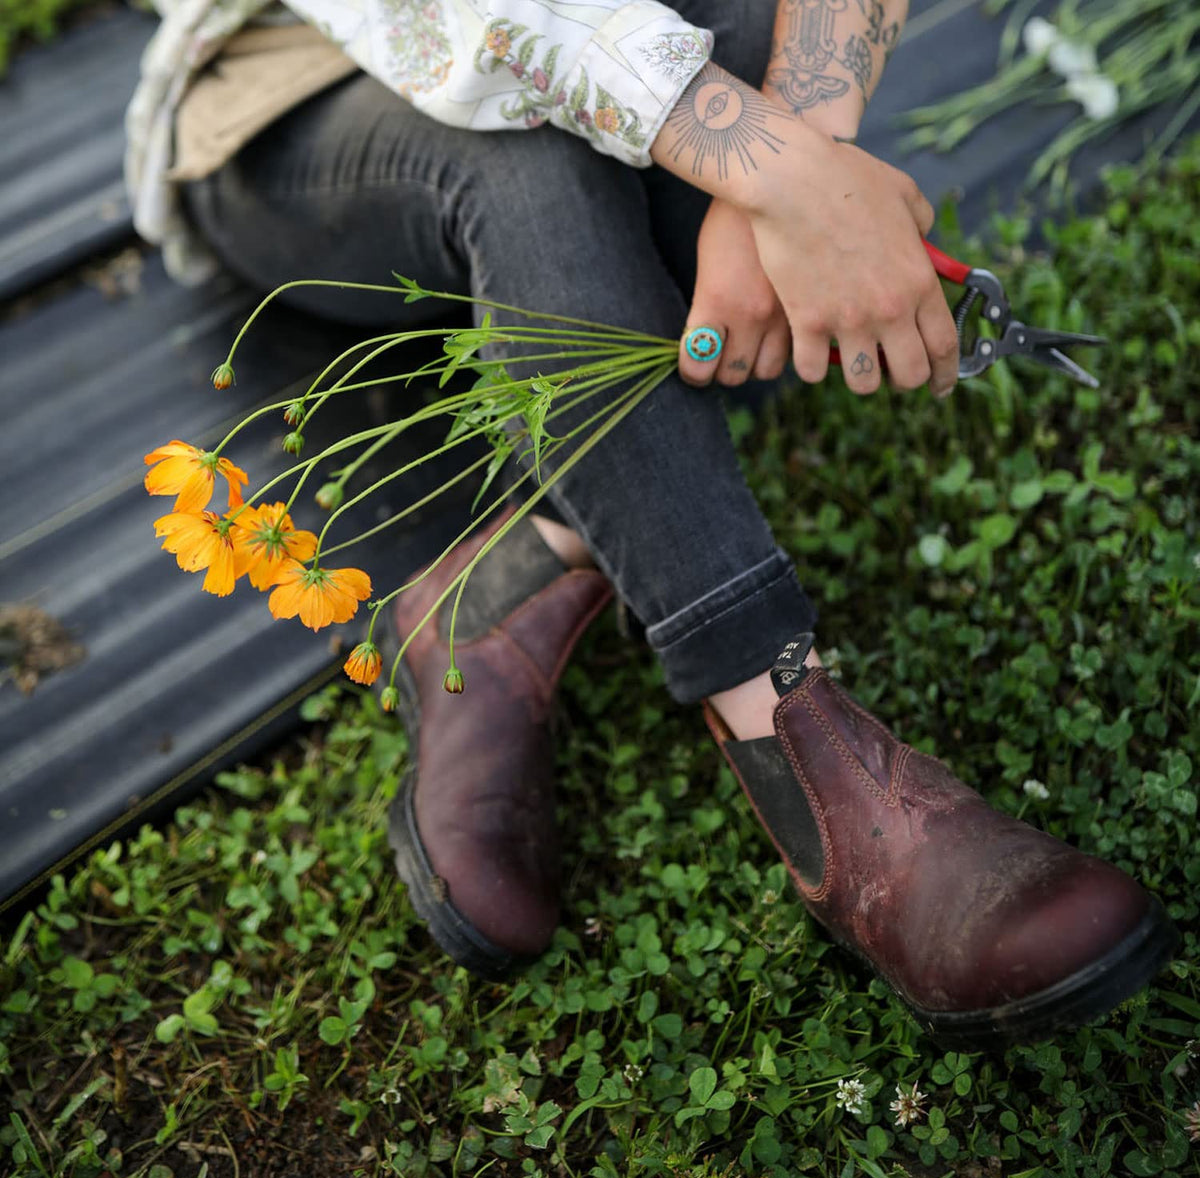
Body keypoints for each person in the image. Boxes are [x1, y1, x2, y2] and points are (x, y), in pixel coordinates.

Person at [127, 0, 1176, 1048]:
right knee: (531, 166)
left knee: (743, 38)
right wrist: (789, 179)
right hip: (304, 86)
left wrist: (792, 150)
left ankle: (526, 566)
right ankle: (788, 736)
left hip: (617, 52)